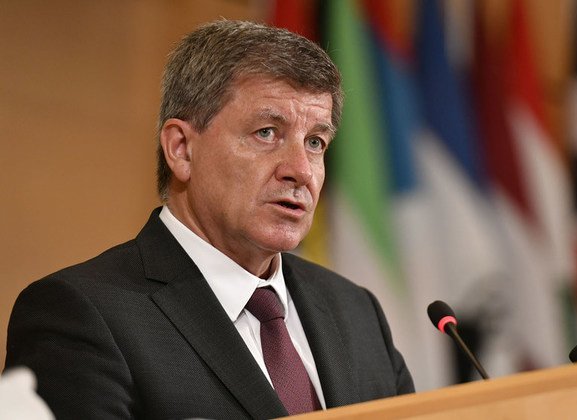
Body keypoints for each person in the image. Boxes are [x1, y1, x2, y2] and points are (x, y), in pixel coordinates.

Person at [5, 20, 414, 419]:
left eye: (315, 142)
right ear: (181, 149)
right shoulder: (80, 315)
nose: (301, 171)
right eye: (267, 132)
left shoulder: (357, 313)